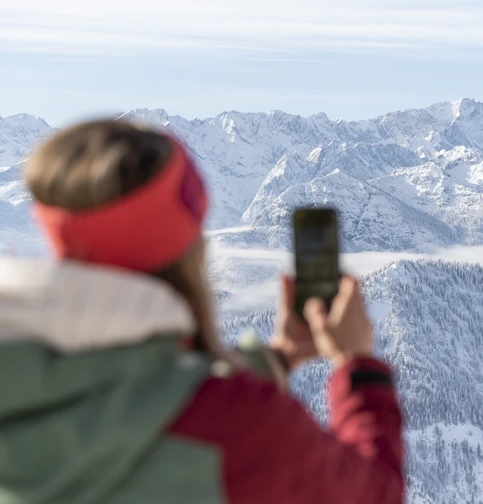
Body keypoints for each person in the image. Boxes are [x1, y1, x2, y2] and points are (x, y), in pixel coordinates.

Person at [0, 120, 404, 504]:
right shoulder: (243, 427)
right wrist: (357, 366)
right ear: (190, 251)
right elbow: (373, 494)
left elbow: (127, 391)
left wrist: (278, 356)